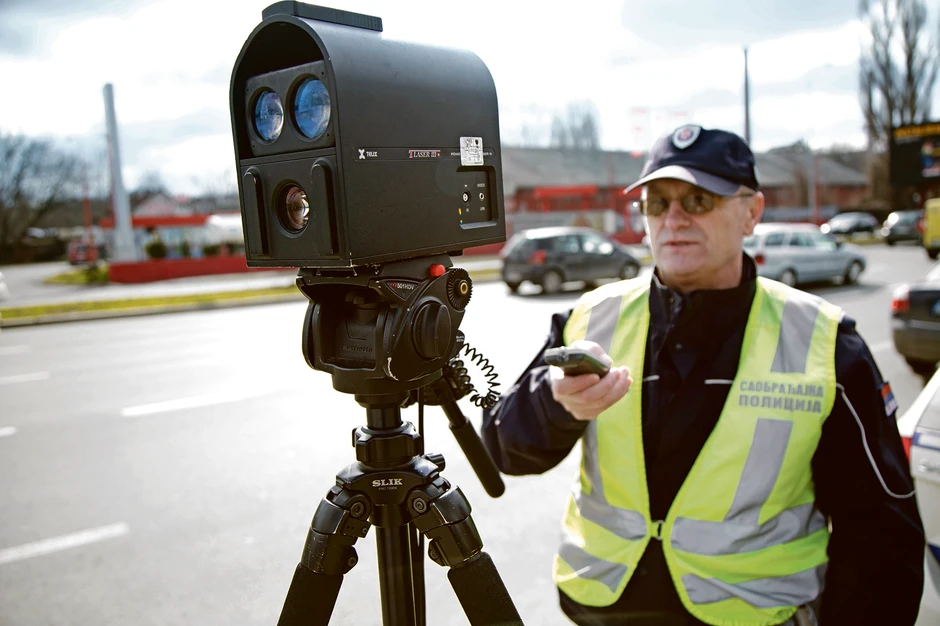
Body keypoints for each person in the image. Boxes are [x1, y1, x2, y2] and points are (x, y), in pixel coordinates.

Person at [482, 125, 926, 626]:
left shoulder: (824, 342)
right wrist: (555, 405)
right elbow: (501, 449)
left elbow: (881, 537)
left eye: (698, 200)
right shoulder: (590, 319)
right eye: (656, 202)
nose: (673, 220)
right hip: (605, 612)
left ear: (751, 213)